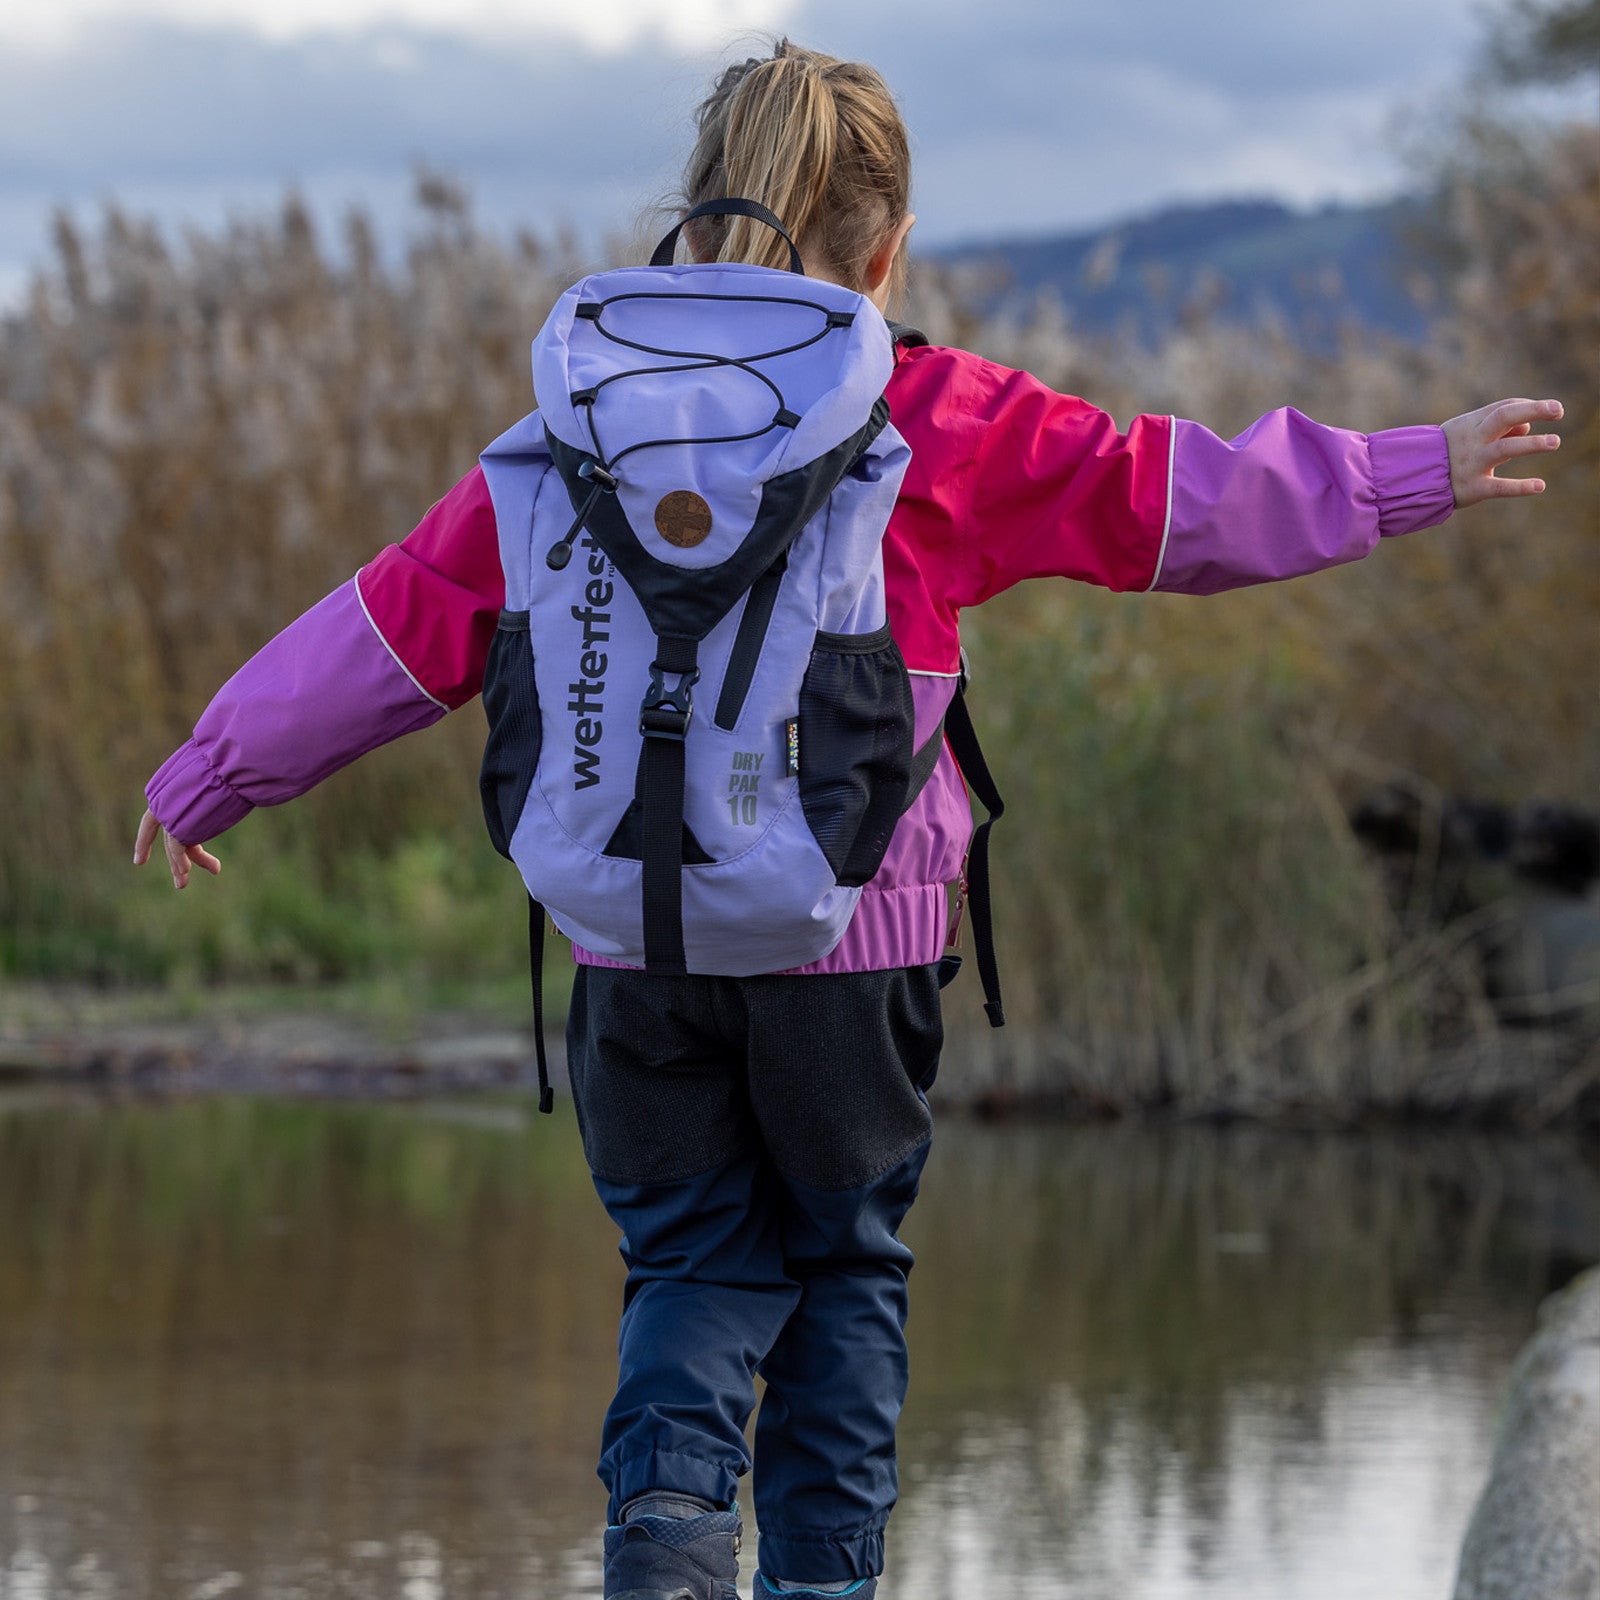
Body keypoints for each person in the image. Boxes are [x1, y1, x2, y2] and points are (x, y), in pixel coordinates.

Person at [133, 41, 1563, 1600]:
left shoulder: (576, 425)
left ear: (689, 217)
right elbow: (1175, 504)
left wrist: (215, 767)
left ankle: (662, 1560)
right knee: (843, 1279)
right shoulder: (934, 413)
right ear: (886, 253)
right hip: (853, 949)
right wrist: (1410, 471)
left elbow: (403, 622)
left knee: (689, 1265)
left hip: (631, 941)